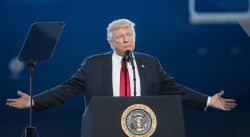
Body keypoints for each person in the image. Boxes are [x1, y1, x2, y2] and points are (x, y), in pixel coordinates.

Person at [6, 19, 236, 112]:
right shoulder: (93, 64)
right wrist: (34, 100)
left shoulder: (150, 63)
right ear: (110, 41)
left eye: (130, 34)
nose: (127, 39)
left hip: (144, 129)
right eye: (121, 36)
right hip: (105, 130)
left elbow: (175, 89)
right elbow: (66, 90)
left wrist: (208, 100)